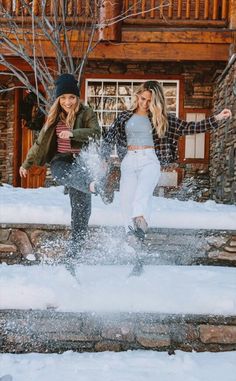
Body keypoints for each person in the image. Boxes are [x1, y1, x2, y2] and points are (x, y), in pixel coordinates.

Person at [101, 80, 232, 245]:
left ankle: (140, 223)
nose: (145, 103)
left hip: (150, 160)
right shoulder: (124, 117)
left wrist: (217, 118)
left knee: (143, 193)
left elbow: (191, 127)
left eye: (150, 101)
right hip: (129, 160)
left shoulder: (164, 119)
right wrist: (104, 158)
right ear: (138, 96)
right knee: (126, 200)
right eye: (142, 99)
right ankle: (132, 236)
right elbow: (108, 139)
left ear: (156, 102)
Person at [19, 73, 112, 256]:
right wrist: (26, 164)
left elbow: (96, 133)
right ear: (58, 99)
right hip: (61, 160)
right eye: (63, 98)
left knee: (81, 213)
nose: (67, 102)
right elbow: (39, 144)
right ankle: (94, 186)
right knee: (61, 173)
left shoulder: (86, 113)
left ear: (77, 97)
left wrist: (72, 134)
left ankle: (74, 255)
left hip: (80, 162)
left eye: (71, 97)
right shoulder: (54, 117)